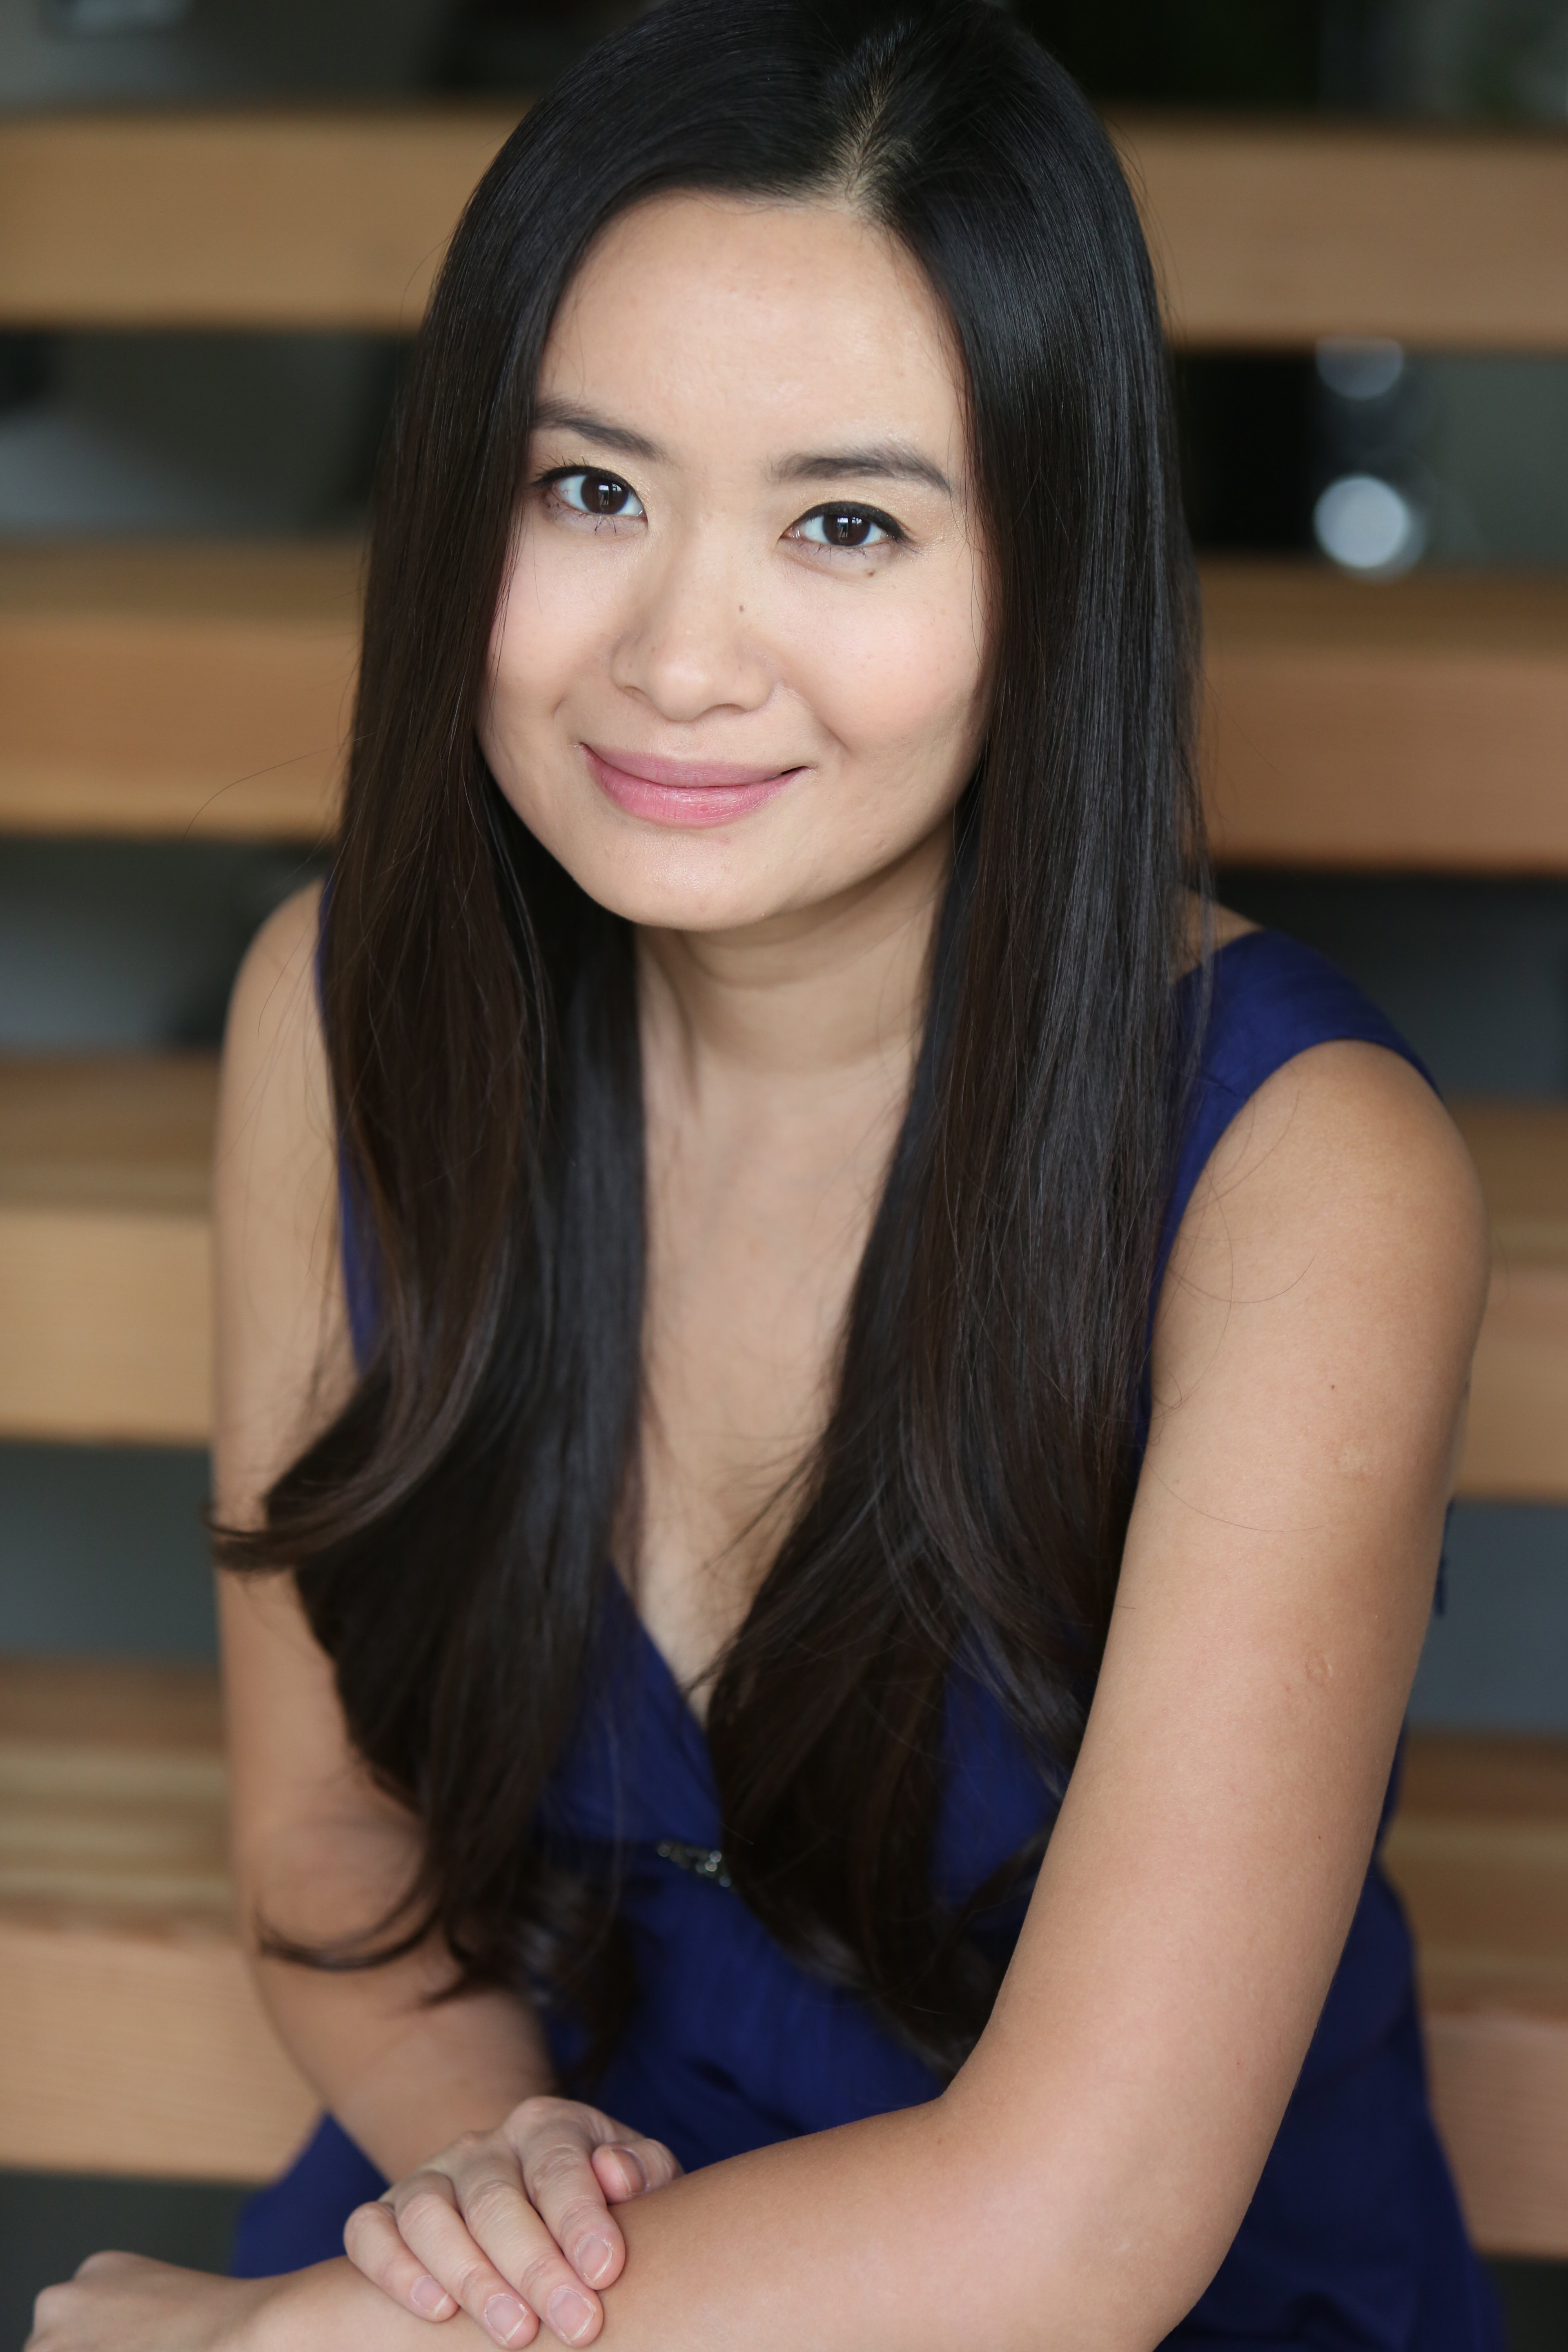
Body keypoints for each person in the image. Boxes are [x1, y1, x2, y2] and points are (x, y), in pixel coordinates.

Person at [30, 5, 1500, 2350]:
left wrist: (277, 2347)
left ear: (1052, 574)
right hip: (537, 2220)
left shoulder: (1302, 1169)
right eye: (589, 492)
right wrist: (491, 2175)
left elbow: (1076, 2233)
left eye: (845, 524)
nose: (680, 658)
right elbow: (331, 1839)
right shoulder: (347, 1013)